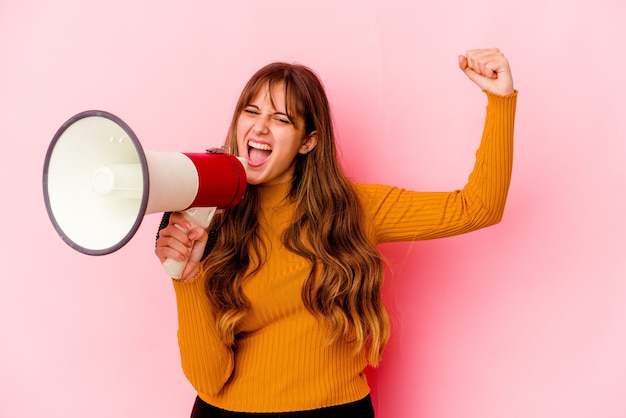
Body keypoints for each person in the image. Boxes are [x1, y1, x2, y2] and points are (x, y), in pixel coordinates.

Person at [155, 47, 517, 417]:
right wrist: (187, 279)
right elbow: (209, 380)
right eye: (251, 111)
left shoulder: (353, 209)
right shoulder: (209, 217)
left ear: (308, 141)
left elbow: (479, 208)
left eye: (280, 119)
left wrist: (500, 100)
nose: (260, 127)